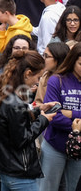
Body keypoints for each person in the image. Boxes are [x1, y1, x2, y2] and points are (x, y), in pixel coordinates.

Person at [0, 51, 57, 191]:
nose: (38, 81)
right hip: (18, 172)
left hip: (6, 167)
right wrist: (43, 119)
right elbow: (22, 139)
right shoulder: (15, 102)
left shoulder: (6, 93)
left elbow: (13, 121)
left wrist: (39, 109)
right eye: (37, 76)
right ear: (28, 73)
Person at [40, 42, 81, 191]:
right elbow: (52, 114)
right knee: (46, 187)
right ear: (72, 60)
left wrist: (70, 113)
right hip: (55, 144)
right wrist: (75, 125)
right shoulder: (56, 80)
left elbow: (59, 112)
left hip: (79, 147)